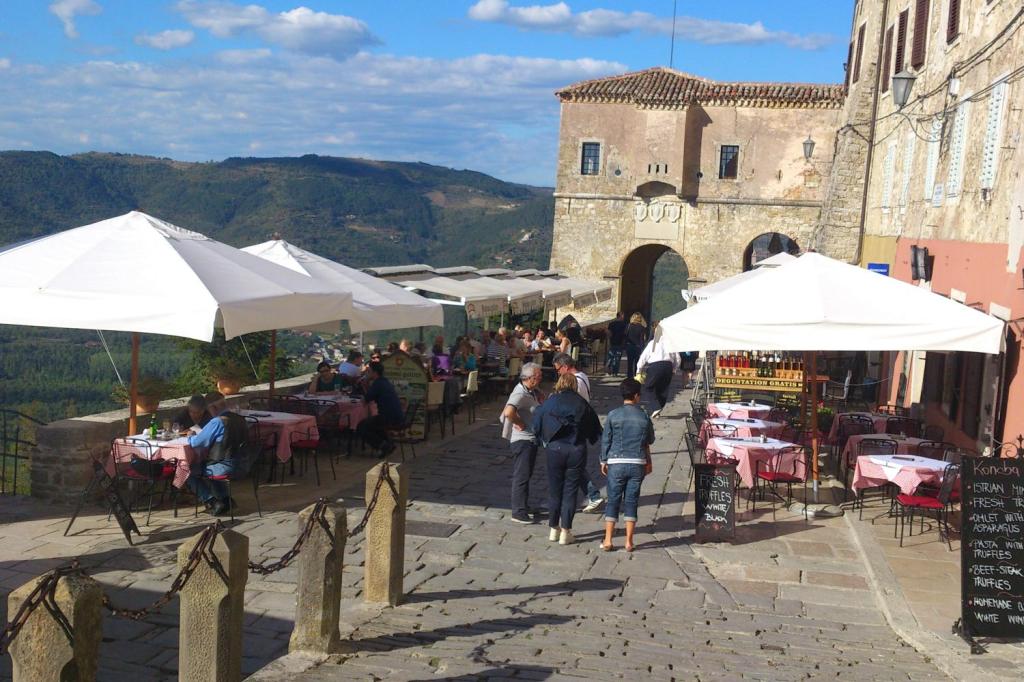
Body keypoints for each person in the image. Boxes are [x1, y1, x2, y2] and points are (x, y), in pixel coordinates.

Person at [531, 373, 602, 545]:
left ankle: (553, 529)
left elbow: (536, 425)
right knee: (570, 492)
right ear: (574, 385)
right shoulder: (581, 403)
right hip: (576, 449)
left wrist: (544, 439)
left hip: (555, 449)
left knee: (555, 490)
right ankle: (565, 531)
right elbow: (595, 430)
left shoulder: (550, 402)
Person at [600, 378, 654, 552]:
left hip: (616, 461)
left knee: (613, 500)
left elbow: (606, 440)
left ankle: (608, 539)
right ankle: (629, 541)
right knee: (631, 500)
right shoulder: (644, 416)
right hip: (637, 461)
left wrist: (603, 460)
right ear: (637, 396)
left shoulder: (613, 415)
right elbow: (649, 440)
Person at [552, 352, 603, 513]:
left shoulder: (576, 382)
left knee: (573, 464)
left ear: (566, 367)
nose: (558, 372)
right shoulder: (583, 376)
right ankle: (590, 494)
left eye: (559, 369)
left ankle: (592, 494)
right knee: (573, 464)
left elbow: (571, 404)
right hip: (577, 427)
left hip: (574, 428)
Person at [187, 391, 248, 516]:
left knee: (187, 471)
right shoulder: (239, 418)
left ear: (213, 408)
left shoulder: (217, 422)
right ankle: (226, 500)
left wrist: (190, 436)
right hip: (244, 464)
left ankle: (212, 500)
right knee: (209, 465)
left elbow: (197, 443)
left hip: (225, 466)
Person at [501, 362, 544, 524]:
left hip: (530, 439)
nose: (540, 378)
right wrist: (519, 423)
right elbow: (509, 412)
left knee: (527, 474)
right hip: (522, 440)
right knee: (521, 475)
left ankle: (524, 505)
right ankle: (518, 511)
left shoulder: (530, 391)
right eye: (538, 376)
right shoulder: (520, 393)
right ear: (530, 378)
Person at [357, 362, 404, 457]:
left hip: (388, 417)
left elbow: (366, 399)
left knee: (361, 427)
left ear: (374, 373)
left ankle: (383, 446)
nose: (367, 374)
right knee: (373, 423)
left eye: (369, 371)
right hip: (397, 416)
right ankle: (387, 443)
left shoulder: (378, 384)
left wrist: (365, 383)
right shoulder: (384, 381)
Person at [636, 325, 679, 419]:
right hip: (668, 366)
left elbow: (643, 357)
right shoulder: (671, 343)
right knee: (663, 389)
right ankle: (658, 410)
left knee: (648, 386)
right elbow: (678, 358)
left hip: (655, 366)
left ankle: (656, 407)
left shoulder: (652, 343)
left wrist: (638, 370)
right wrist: (674, 369)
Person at [624, 313, 648, 379]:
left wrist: (625, 346)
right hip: (637, 347)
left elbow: (625, 336)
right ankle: (636, 376)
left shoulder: (628, 326)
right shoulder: (642, 328)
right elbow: (642, 339)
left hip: (629, 346)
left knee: (630, 363)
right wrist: (643, 348)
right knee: (637, 363)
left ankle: (629, 377)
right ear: (640, 319)